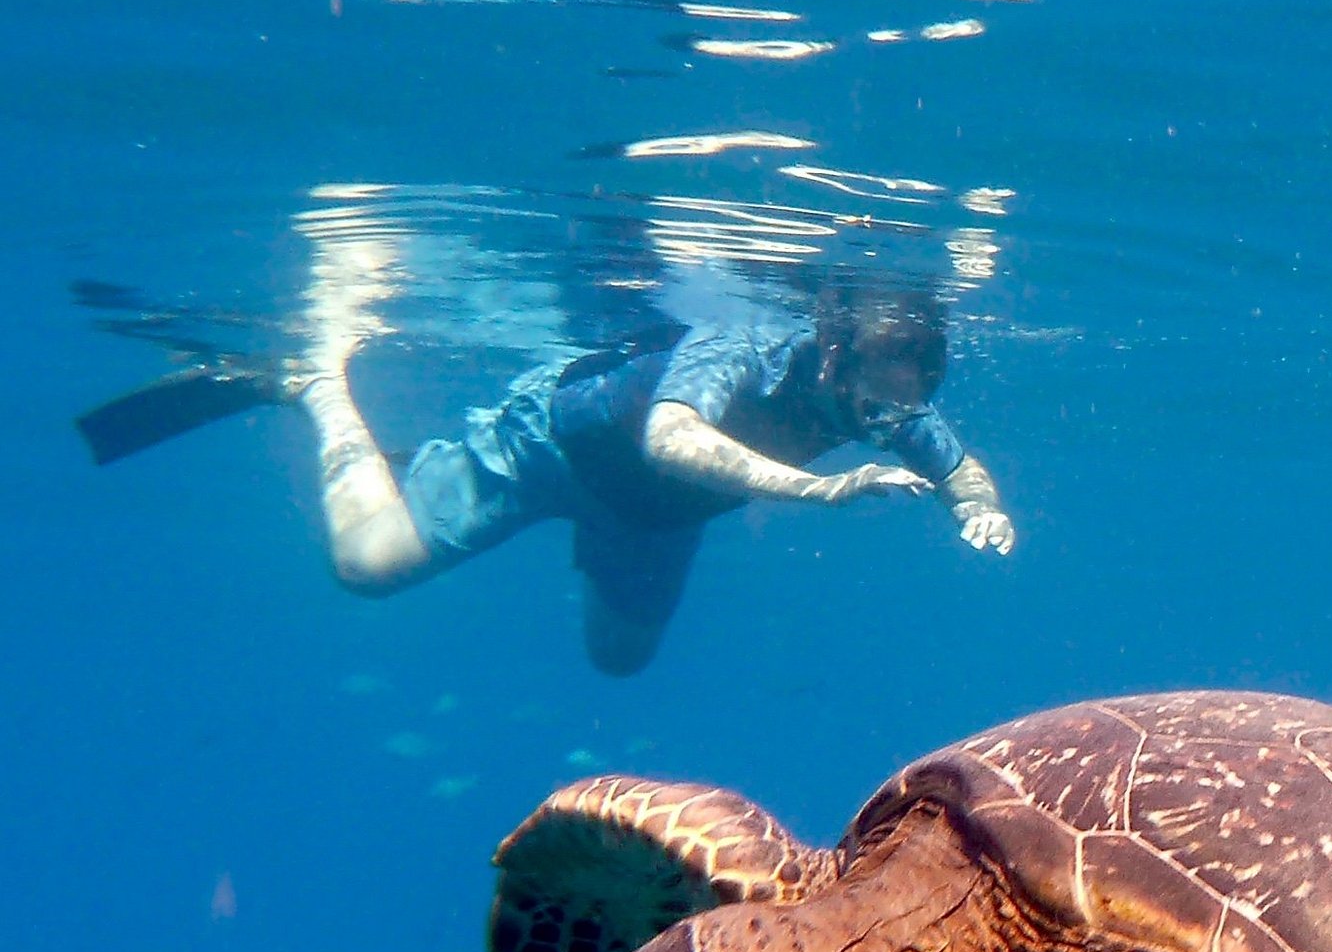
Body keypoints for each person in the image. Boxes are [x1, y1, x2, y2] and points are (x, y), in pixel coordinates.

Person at [79, 263, 1013, 676]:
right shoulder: (745, 344)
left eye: (903, 406)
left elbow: (959, 464)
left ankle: (426, 473)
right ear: (832, 349)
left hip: (654, 517)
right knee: (366, 566)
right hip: (553, 448)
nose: (887, 424)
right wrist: (822, 486)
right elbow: (669, 438)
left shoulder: (889, 397)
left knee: (617, 661)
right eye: (876, 405)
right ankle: (317, 380)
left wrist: (982, 511)